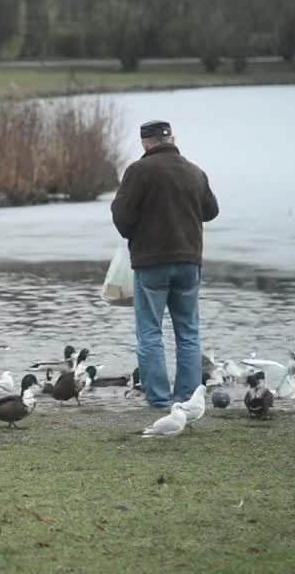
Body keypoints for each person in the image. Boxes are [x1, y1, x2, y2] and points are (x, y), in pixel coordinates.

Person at [110, 120, 219, 409]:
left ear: (145, 144)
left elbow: (121, 214)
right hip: (189, 261)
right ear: (172, 139)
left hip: (151, 262)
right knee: (188, 332)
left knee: (149, 332)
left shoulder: (138, 171)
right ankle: (187, 397)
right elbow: (211, 211)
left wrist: (135, 230)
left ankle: (159, 399)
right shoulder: (195, 172)